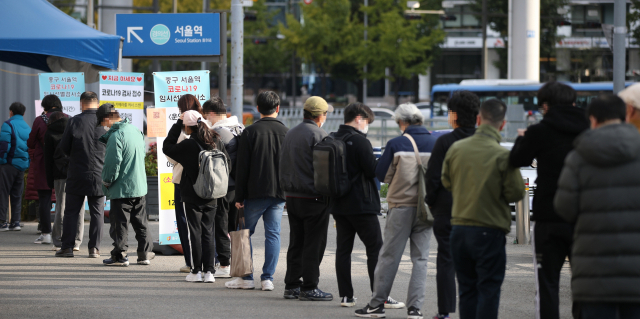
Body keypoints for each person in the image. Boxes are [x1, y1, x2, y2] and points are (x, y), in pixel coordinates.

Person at [509, 81, 589, 319]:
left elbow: (516, 160)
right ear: (574, 102)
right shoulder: (590, 130)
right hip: (585, 219)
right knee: (585, 284)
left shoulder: (540, 131)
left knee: (547, 284)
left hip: (549, 217)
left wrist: (523, 138)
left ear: (546, 106)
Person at [555, 94, 640, 319]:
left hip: (593, 273)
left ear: (592, 119)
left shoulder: (578, 158)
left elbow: (564, 208)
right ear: (625, 116)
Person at [442, 99, 525, 319]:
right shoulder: (503, 155)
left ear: (478, 119)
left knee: (467, 289)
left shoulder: (456, 149)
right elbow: (516, 193)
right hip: (490, 230)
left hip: (459, 229)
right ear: (502, 124)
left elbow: (447, 182)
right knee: (488, 289)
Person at [355, 103, 437, 318]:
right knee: (421, 259)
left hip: (401, 206)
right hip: (427, 208)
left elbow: (381, 175)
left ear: (402, 121)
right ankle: (415, 309)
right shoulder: (436, 142)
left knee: (390, 256)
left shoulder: (396, 143)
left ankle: (376, 305)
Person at [225, 91, 288, 291]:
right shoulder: (287, 132)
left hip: (254, 192)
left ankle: (246, 277)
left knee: (244, 233)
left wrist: (239, 196)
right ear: (277, 108)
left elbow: (242, 167)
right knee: (273, 235)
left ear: (258, 109)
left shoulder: (250, 132)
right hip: (278, 193)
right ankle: (267, 279)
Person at [426, 90, 480, 319]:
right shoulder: (483, 141)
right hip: (479, 212)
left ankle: (445, 312)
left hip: (447, 210)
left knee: (446, 260)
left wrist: (434, 204)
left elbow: (432, 178)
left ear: (454, 116)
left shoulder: (445, 141)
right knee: (477, 263)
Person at [329, 103, 385, 308]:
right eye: (367, 122)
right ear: (359, 118)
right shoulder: (360, 141)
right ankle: (380, 295)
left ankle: (346, 296)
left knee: (343, 250)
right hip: (362, 204)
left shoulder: (333, 138)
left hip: (339, 204)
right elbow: (373, 171)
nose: (367, 126)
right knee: (375, 249)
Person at [163, 110, 229, 282]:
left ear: (187, 126)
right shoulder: (215, 140)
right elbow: (227, 162)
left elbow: (167, 147)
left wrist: (177, 123)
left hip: (192, 194)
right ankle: (209, 272)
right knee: (209, 231)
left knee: (194, 231)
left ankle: (195, 271)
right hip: (213, 193)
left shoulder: (188, 144)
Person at [279, 96, 333, 301]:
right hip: (314, 197)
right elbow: (325, 170)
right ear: (322, 115)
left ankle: (291, 285)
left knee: (297, 241)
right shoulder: (319, 135)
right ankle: (310, 286)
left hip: (292, 196)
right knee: (314, 243)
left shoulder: (291, 133)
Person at [97, 105, 154, 267]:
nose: (104, 126)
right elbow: (142, 154)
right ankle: (144, 255)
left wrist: (107, 181)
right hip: (139, 186)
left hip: (121, 187)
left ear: (108, 118)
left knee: (119, 223)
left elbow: (112, 163)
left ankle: (120, 256)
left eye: (103, 123)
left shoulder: (116, 136)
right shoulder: (135, 131)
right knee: (140, 222)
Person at [55, 92, 106, 258]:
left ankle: (67, 247)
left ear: (81, 104)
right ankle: (94, 249)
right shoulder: (106, 122)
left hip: (77, 173)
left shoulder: (74, 121)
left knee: (72, 211)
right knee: (97, 213)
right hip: (100, 174)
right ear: (97, 104)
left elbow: (63, 147)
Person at [202, 96, 245, 278]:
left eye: (206, 115)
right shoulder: (241, 128)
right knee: (238, 227)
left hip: (224, 185)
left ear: (211, 113)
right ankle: (241, 265)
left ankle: (225, 264)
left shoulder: (217, 132)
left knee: (221, 225)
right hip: (241, 187)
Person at [167, 94, 203, 273]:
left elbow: (169, 152)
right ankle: (210, 262)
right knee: (205, 222)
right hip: (206, 181)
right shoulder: (205, 124)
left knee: (184, 221)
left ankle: (190, 262)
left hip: (183, 179)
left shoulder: (183, 130)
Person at [44, 111, 84, 251]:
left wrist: (50, 181)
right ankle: (77, 241)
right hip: (78, 172)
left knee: (61, 207)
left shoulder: (49, 133)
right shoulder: (75, 127)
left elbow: (48, 160)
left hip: (60, 174)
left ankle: (59, 241)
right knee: (79, 208)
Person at [29, 95, 64, 244]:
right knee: (64, 199)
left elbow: (30, 142)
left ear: (45, 105)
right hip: (62, 163)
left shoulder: (39, 120)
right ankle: (64, 233)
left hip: (43, 162)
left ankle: (46, 233)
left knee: (44, 198)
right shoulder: (67, 118)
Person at [0, 102, 31, 231]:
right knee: (17, 194)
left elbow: (4, 145)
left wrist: (1, 160)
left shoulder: (8, 124)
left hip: (9, 164)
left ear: (11, 112)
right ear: (23, 113)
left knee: (3, 193)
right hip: (22, 165)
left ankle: (2, 222)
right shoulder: (27, 127)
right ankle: (15, 222)